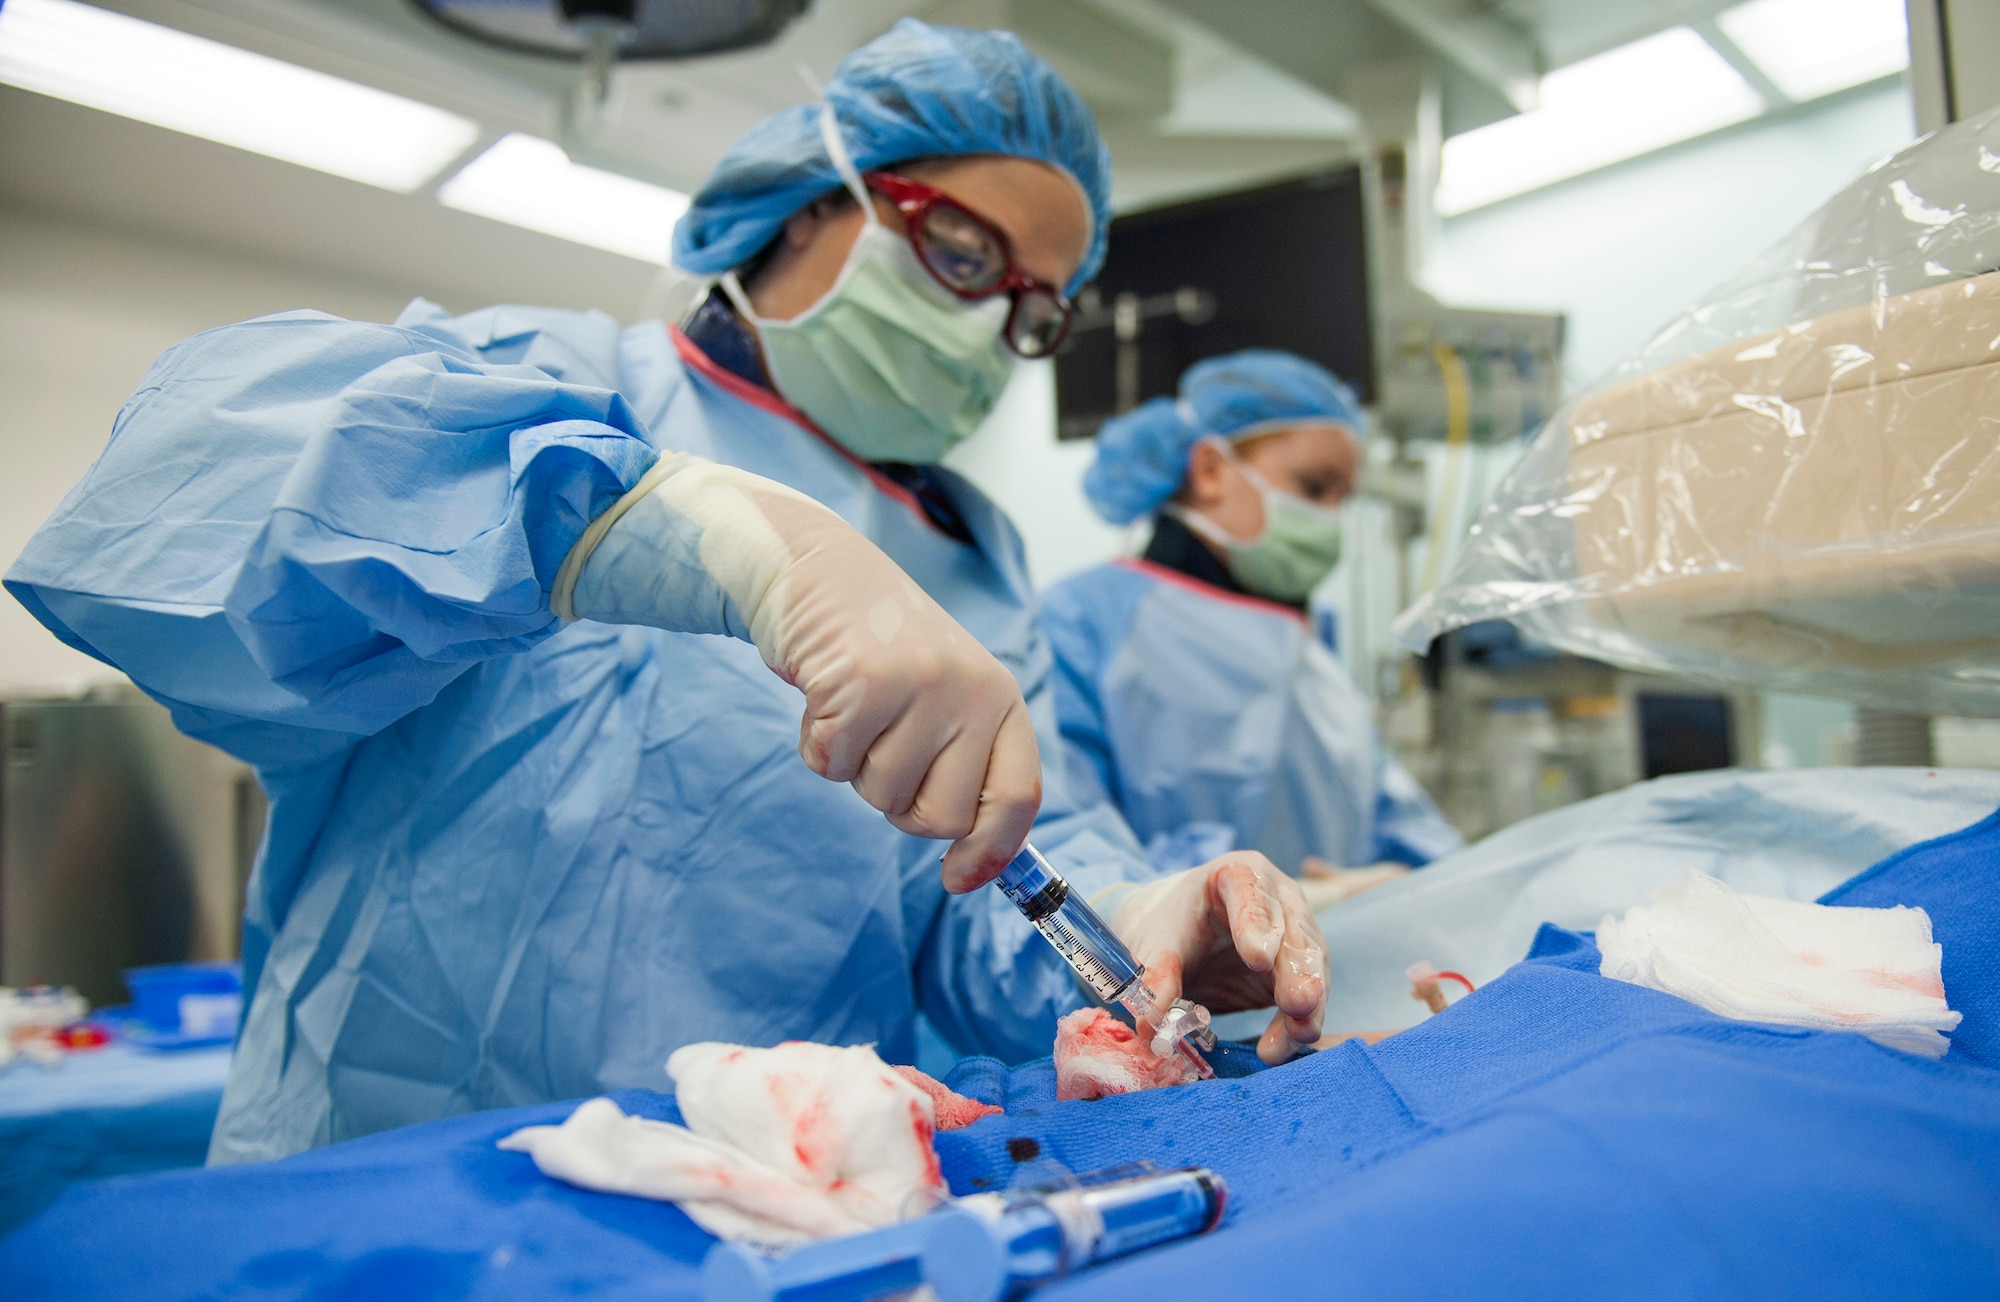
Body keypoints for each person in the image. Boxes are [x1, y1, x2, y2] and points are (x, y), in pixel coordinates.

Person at [5, 22, 1328, 1165]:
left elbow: (987, 898)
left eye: (1036, 310)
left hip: (775, 1210)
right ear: (813, 203)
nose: (994, 330)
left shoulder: (972, 563)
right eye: (968, 257)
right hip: (396, 1202)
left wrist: (1137, 921)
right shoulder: (563, 391)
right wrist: (658, 524)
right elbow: (149, 523)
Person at [1040, 351, 1461, 907]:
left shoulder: (1305, 648)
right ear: (1212, 469)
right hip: (1157, 987)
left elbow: (1405, 831)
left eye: (1343, 499)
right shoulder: (1083, 622)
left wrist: (1412, 890)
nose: (1330, 519)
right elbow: (1056, 846)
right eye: (1314, 488)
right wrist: (1204, 910)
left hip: (1332, 979)